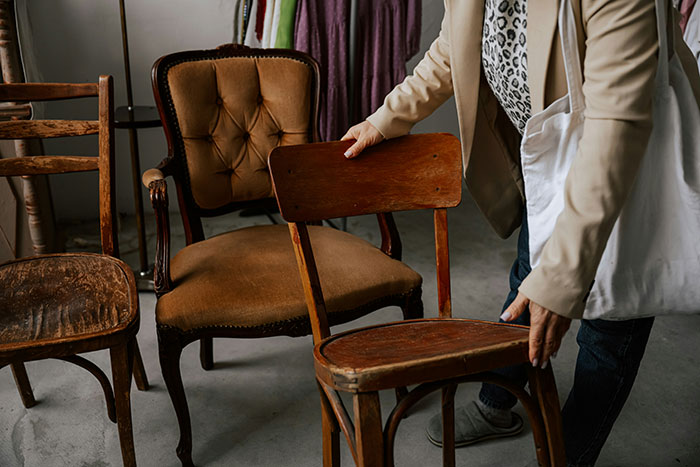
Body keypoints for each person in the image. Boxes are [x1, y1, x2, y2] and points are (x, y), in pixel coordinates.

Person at [340, 1, 700, 466]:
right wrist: (387, 119)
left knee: (609, 332)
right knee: (527, 279)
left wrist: (563, 279)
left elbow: (618, 126)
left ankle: (567, 456)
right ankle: (497, 405)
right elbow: (454, 48)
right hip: (552, 157)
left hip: (628, 168)